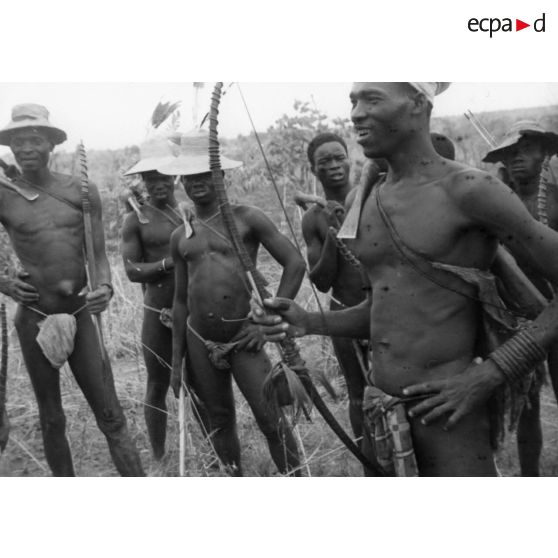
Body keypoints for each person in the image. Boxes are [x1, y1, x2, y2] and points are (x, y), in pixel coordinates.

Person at [251, 82, 558, 476]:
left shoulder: (469, 191)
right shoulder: (370, 200)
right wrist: (311, 322)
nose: (357, 113)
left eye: (372, 99)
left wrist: (490, 374)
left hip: (449, 411)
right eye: (353, 101)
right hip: (384, 408)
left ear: (417, 103)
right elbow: (389, 308)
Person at [0, 103, 144, 476]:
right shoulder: (4, 194)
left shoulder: (79, 190)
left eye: (34, 139)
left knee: (111, 416)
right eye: (18, 141)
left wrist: (106, 286)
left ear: (51, 144)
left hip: (81, 316)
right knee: (51, 419)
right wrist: (4, 283)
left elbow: (97, 255)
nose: (26, 148)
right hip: (33, 319)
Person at [161, 130, 304, 476]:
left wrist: (265, 319)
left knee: (270, 417)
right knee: (219, 418)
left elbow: (295, 263)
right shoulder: (180, 236)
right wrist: (177, 362)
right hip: (199, 339)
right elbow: (180, 301)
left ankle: (297, 477)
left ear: (220, 174)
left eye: (205, 174)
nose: (197, 182)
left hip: (245, 335)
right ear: (182, 181)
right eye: (190, 176)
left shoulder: (246, 217)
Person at [482, 121, 558, 475]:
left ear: (545, 153)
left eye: (524, 151)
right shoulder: (499, 198)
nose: (516, 160)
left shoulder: (555, 196)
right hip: (517, 314)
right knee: (526, 405)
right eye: (509, 154)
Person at [300, 133, 369, 440]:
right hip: (344, 310)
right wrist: (331, 234)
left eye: (339, 157)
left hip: (385, 308)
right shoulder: (313, 219)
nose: (334, 166)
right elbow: (321, 281)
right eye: (324, 161)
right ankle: (373, 466)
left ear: (349, 159)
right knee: (358, 394)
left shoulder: (373, 196)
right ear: (314, 171)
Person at [120, 137, 182, 460]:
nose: (158, 183)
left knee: (198, 381)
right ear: (143, 181)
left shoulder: (189, 213)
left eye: (164, 175)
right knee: (157, 384)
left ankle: (214, 449)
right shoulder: (137, 220)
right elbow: (131, 270)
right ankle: (159, 456)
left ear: (175, 176)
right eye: (151, 177)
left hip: (192, 312)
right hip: (156, 312)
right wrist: (166, 264)